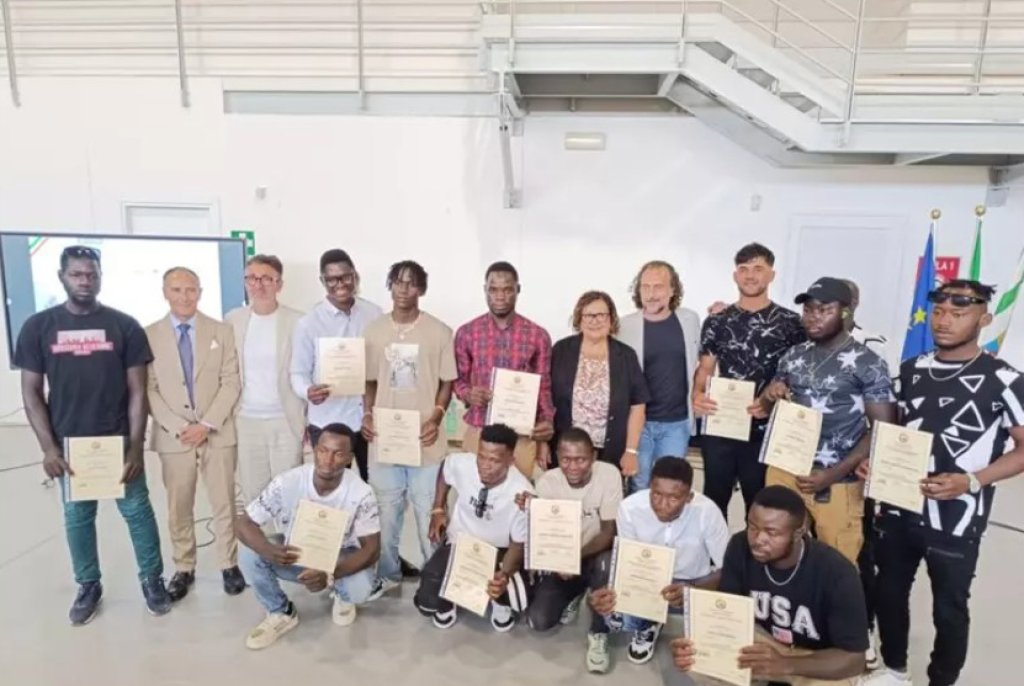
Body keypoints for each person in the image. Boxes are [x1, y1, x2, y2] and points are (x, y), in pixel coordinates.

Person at [862, 280, 1024, 686]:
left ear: (983, 318)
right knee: (889, 593)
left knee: (949, 607)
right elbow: (894, 428)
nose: (944, 321)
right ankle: (894, 670)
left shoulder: (1003, 378)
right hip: (898, 506)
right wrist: (874, 462)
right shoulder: (912, 370)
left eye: (958, 313)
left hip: (956, 517)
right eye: (938, 312)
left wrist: (972, 480)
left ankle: (941, 680)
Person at [14, 245, 172, 624]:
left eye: (92, 274)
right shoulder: (39, 327)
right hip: (70, 446)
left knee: (138, 513)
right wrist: (49, 449)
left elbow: (138, 391)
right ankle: (88, 585)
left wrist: (135, 448)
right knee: (78, 519)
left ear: (100, 276)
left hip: (117, 441)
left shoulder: (124, 325)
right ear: (62, 277)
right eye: (77, 274)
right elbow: (31, 393)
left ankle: (152, 580)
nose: (86, 280)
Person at [665, 485, 869, 686]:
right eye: (753, 527)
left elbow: (853, 660)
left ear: (799, 533)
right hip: (766, 641)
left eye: (772, 532)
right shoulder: (740, 545)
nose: (758, 539)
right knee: (699, 660)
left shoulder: (837, 573)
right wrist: (698, 640)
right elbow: (727, 612)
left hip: (817, 657)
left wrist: (786, 665)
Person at [757, 277, 896, 566]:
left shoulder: (867, 362)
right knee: (778, 554)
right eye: (808, 310)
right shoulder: (793, 356)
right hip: (785, 469)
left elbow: (883, 429)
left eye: (824, 309)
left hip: (836, 480)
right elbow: (767, 408)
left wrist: (833, 474)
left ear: (845, 312)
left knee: (837, 564)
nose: (813, 317)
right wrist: (770, 395)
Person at [145, 266, 245, 601]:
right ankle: (184, 567)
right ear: (165, 293)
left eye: (190, 290)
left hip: (216, 432)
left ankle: (229, 564)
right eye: (177, 290)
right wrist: (179, 427)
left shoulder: (221, 331)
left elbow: (231, 382)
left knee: (224, 502)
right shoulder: (148, 335)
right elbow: (149, 389)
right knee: (179, 505)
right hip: (174, 437)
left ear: (200, 292)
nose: (184, 296)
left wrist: (207, 425)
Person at [235, 423, 381, 650]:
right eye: (323, 450)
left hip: (339, 558)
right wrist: (268, 550)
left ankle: (342, 594)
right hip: (296, 552)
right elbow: (244, 523)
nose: (328, 459)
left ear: (349, 458)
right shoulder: (288, 482)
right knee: (249, 553)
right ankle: (280, 612)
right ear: (314, 450)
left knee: (360, 588)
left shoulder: (361, 493)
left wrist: (330, 576)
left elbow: (371, 549)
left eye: (338, 453)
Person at [362, 260, 457, 597]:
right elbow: (369, 382)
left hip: (425, 442)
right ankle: (388, 574)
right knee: (386, 516)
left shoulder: (440, 332)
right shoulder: (374, 331)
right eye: (398, 282)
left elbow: (447, 382)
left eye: (412, 283)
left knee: (427, 512)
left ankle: (434, 582)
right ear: (390, 286)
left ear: (422, 289)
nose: (404, 289)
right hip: (385, 442)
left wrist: (436, 416)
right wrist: (368, 415)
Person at [693, 243, 805, 519]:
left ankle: (756, 562)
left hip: (767, 430)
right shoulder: (717, 321)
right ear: (735, 275)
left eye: (758, 269)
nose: (750, 275)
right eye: (743, 269)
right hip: (722, 426)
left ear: (771, 275)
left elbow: (799, 375)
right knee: (713, 503)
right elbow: (706, 367)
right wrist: (696, 394)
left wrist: (771, 397)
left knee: (760, 507)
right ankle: (713, 563)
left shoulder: (791, 323)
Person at [589, 457, 729, 670]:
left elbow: (726, 569)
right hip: (647, 577)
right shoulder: (630, 508)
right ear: (649, 487)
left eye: (673, 497)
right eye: (656, 494)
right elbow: (628, 559)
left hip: (692, 582)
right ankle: (646, 622)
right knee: (606, 566)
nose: (662, 504)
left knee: (718, 642)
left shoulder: (708, 513)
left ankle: (656, 617)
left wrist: (692, 590)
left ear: (689, 497)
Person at [522, 427, 623, 673]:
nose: (573, 466)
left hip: (594, 553)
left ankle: (599, 633)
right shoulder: (547, 483)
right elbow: (545, 534)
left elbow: (609, 532)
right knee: (539, 621)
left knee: (607, 563)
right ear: (557, 457)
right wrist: (560, 560)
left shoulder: (609, 475)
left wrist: (573, 558)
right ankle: (575, 593)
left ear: (593, 457)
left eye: (581, 459)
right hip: (563, 558)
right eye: (566, 459)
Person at [414, 423, 533, 631]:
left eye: (495, 460)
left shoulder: (521, 492)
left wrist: (503, 576)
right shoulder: (463, 464)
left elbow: (518, 544)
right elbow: (445, 469)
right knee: (427, 601)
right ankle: (448, 601)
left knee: (520, 601)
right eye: (482, 457)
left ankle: (498, 601)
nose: (485, 465)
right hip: (460, 543)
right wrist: (438, 509)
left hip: (499, 551)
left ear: (511, 461)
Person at [454, 261, 555, 477]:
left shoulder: (538, 336)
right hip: (479, 428)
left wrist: (546, 426)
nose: (500, 296)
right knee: (474, 494)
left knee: (516, 499)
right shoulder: (467, 333)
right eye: (493, 289)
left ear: (518, 290)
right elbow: (459, 380)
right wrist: (469, 394)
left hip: (521, 434)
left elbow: (544, 388)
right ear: (485, 291)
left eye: (507, 289)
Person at [290, 249, 382, 482]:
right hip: (327, 420)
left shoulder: (374, 315)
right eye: (332, 279)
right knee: (333, 488)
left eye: (345, 276)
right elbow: (298, 372)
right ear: (323, 281)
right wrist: (308, 391)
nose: (340, 284)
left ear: (355, 276)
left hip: (368, 419)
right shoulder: (309, 323)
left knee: (374, 486)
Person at [226, 255, 306, 506]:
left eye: (266, 279)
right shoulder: (232, 320)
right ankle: (260, 546)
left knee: (288, 492)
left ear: (279, 284)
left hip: (286, 419)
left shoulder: (298, 321)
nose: (258, 285)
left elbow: (307, 370)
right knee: (254, 494)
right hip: (247, 420)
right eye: (251, 278)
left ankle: (286, 544)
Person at [618, 261, 700, 491]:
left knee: (669, 487)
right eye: (645, 287)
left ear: (673, 290)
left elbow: (705, 360)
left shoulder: (690, 320)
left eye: (659, 287)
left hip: (676, 424)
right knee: (639, 484)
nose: (651, 294)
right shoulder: (624, 327)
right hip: (639, 425)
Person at [551, 291, 650, 476]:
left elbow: (638, 406)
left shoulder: (626, 356)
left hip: (610, 452)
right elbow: (545, 398)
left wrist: (631, 452)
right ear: (579, 319)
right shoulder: (561, 351)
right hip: (566, 451)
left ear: (611, 319)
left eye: (601, 315)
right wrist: (541, 442)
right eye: (589, 315)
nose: (595, 321)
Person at [841, 277, 887, 668]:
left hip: (856, 471)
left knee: (857, 553)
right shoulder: (802, 348)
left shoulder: (873, 348)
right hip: (804, 467)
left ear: (854, 304)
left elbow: (888, 414)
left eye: (842, 302)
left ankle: (862, 632)